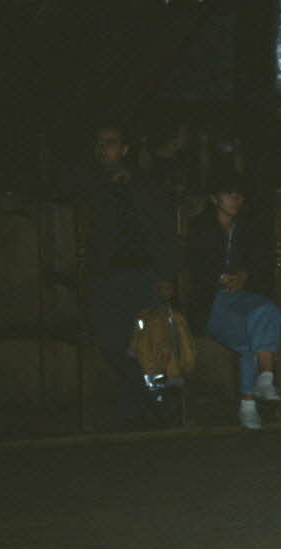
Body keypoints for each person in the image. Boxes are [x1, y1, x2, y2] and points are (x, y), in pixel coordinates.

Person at [81, 121, 182, 425]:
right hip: (108, 276)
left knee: (147, 343)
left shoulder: (145, 185)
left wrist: (167, 275)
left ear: (125, 149)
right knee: (110, 340)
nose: (103, 148)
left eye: (110, 142)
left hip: (144, 275)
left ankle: (136, 412)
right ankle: (152, 400)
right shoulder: (93, 185)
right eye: (99, 143)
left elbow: (164, 231)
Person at [185, 172, 281, 429]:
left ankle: (265, 378)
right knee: (249, 335)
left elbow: (261, 263)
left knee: (269, 309)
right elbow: (192, 266)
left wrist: (244, 276)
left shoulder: (247, 228)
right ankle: (248, 404)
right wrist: (218, 277)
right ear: (214, 198)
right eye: (229, 194)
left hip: (240, 297)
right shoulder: (200, 228)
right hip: (210, 302)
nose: (235, 200)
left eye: (239, 195)